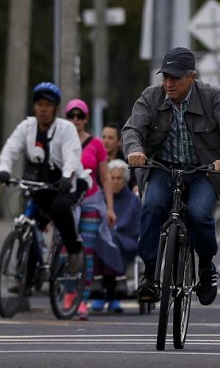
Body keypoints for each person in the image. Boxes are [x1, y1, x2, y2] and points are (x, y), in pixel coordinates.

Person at [121, 46, 220, 306]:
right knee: (153, 206)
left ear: (192, 76)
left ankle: (205, 267)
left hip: (203, 171)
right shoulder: (151, 97)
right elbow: (132, 129)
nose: (169, 83)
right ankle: (149, 273)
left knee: (198, 214)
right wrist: (134, 151)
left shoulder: (212, 97)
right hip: (163, 168)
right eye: (165, 77)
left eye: (176, 77)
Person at [0, 82, 90, 287]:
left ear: (56, 108)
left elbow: (72, 156)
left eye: (48, 105)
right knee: (28, 222)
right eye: (39, 104)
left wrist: (67, 176)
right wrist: (4, 169)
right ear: (34, 107)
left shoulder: (66, 128)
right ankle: (28, 279)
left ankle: (74, 250)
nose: (43, 109)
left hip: (72, 182)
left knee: (59, 208)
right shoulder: (26, 127)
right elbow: (10, 149)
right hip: (42, 183)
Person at [65, 98, 120, 320]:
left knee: (86, 252)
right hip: (67, 200)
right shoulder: (59, 140)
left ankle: (82, 300)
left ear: (86, 119)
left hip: (91, 199)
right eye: (72, 116)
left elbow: (105, 178)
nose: (76, 120)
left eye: (80, 116)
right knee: (66, 251)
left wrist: (109, 208)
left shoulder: (96, 144)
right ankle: (69, 293)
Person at [91, 159, 141, 313]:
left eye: (119, 178)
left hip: (127, 239)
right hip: (106, 240)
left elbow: (136, 225)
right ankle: (118, 282)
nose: (115, 182)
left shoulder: (133, 200)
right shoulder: (101, 197)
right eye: (112, 178)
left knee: (111, 238)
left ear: (125, 179)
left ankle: (99, 280)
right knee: (104, 238)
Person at [101, 123, 138, 192]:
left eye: (110, 138)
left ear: (119, 141)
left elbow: (134, 183)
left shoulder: (128, 161)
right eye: (104, 137)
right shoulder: (96, 160)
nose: (106, 141)